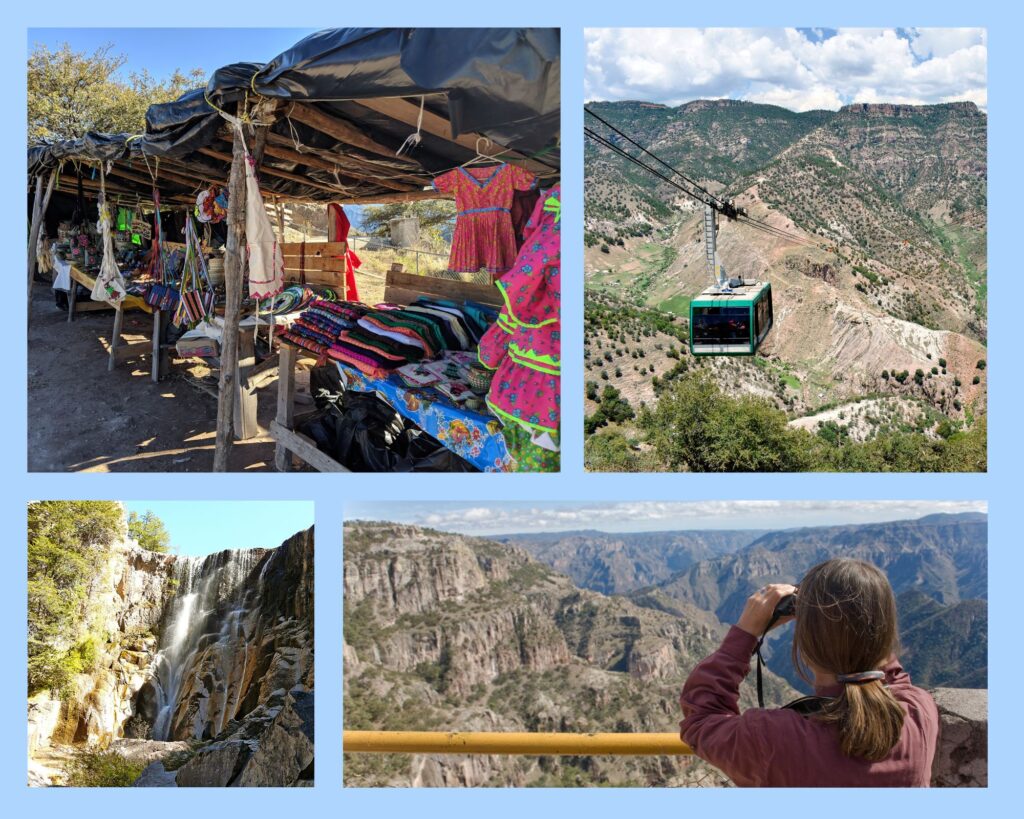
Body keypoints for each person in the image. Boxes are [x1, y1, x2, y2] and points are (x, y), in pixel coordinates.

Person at [679, 558, 939, 786]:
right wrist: (864, 619)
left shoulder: (773, 739)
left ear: (806, 644)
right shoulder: (919, 712)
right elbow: (895, 680)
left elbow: (701, 719)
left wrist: (745, 632)